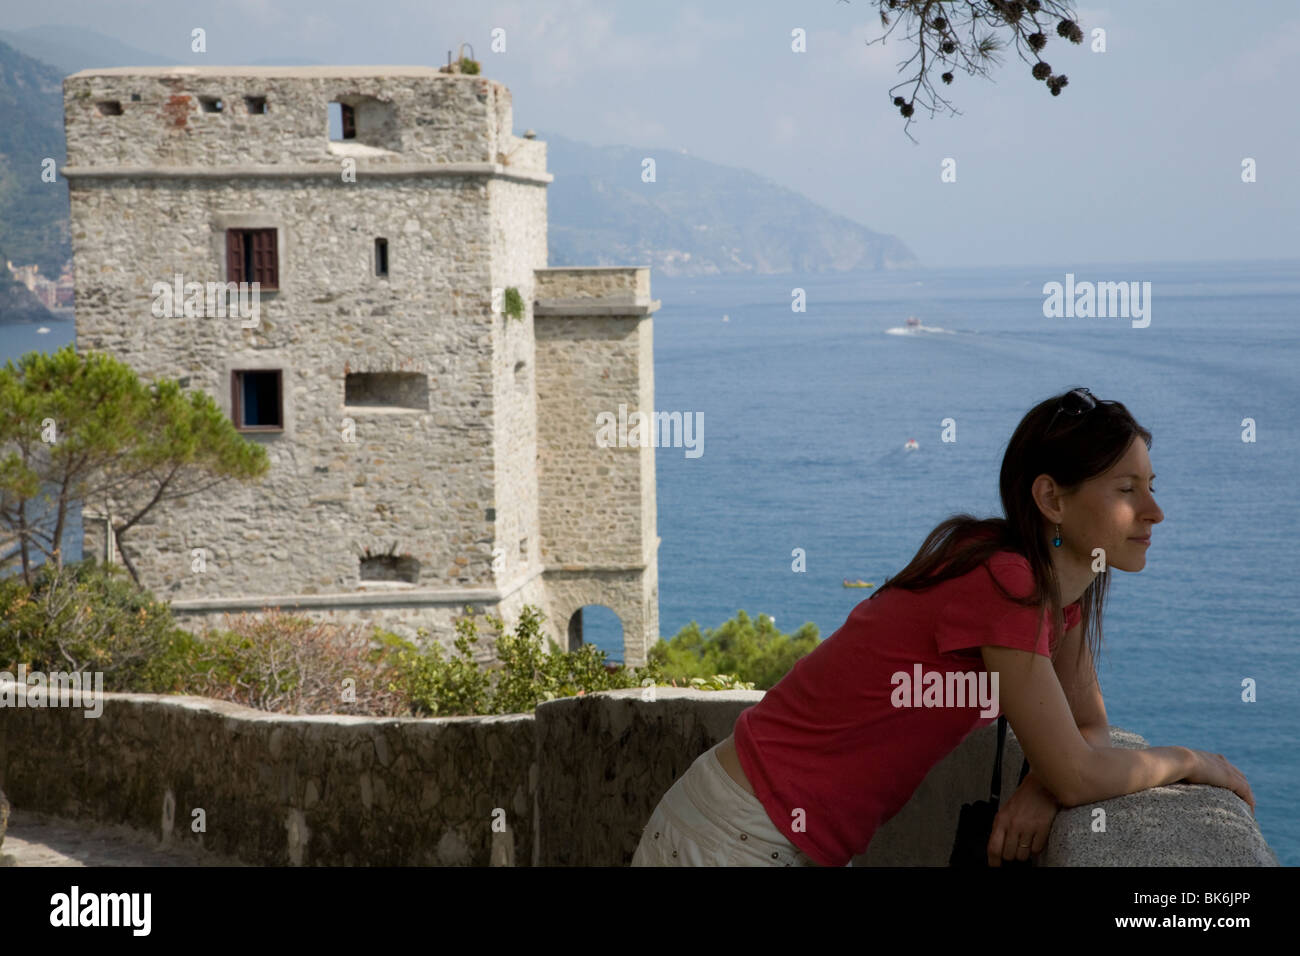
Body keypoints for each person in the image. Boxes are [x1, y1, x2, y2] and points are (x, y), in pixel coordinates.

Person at [630, 386, 1256, 867]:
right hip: (731, 835)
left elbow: (1085, 729)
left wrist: (1043, 785)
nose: (1156, 511)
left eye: (1151, 485)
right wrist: (1192, 762)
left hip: (767, 831)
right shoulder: (1007, 582)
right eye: (1127, 490)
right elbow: (1078, 766)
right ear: (1052, 498)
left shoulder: (1056, 594)